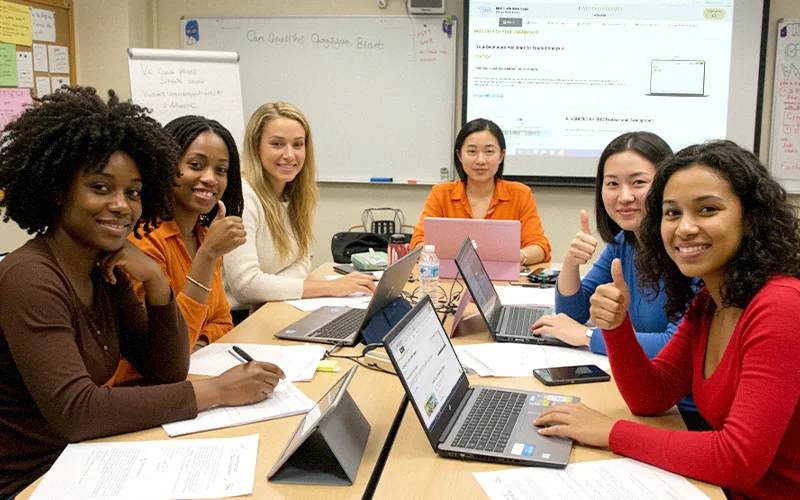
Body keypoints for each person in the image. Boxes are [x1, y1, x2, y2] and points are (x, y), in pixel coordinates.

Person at [0, 87, 285, 497]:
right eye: (101, 188)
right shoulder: (30, 278)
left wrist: (156, 282)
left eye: (133, 192)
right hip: (30, 482)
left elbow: (166, 370)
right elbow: (77, 412)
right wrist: (217, 391)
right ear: (58, 191)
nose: (122, 205)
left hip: (87, 458)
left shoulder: (104, 268)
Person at [534, 140, 800, 499]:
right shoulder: (711, 300)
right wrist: (616, 326)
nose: (685, 228)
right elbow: (651, 398)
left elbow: (737, 460)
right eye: (672, 213)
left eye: (707, 209)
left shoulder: (781, 305)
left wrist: (610, 432)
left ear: (750, 218)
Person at [107, 116, 246, 386]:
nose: (210, 178)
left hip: (193, 372)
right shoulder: (142, 240)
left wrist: (198, 344)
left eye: (221, 170)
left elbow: (222, 321)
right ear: (166, 166)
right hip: (137, 389)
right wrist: (207, 256)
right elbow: (165, 350)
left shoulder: (203, 234)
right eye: (195, 165)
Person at [223, 102, 375, 319]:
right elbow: (246, 286)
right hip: (238, 319)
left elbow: (302, 260)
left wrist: (269, 293)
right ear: (256, 147)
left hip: (271, 307)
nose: (289, 154)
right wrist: (329, 288)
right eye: (277, 144)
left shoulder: (295, 193)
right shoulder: (242, 197)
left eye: (297, 144)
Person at [410, 118, 551, 266]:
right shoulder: (441, 194)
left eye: (489, 151)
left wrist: (514, 257)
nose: (480, 160)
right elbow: (418, 241)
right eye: (472, 151)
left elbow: (539, 246)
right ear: (459, 155)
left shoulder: (520, 194)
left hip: (504, 276)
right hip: (450, 276)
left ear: (501, 156)